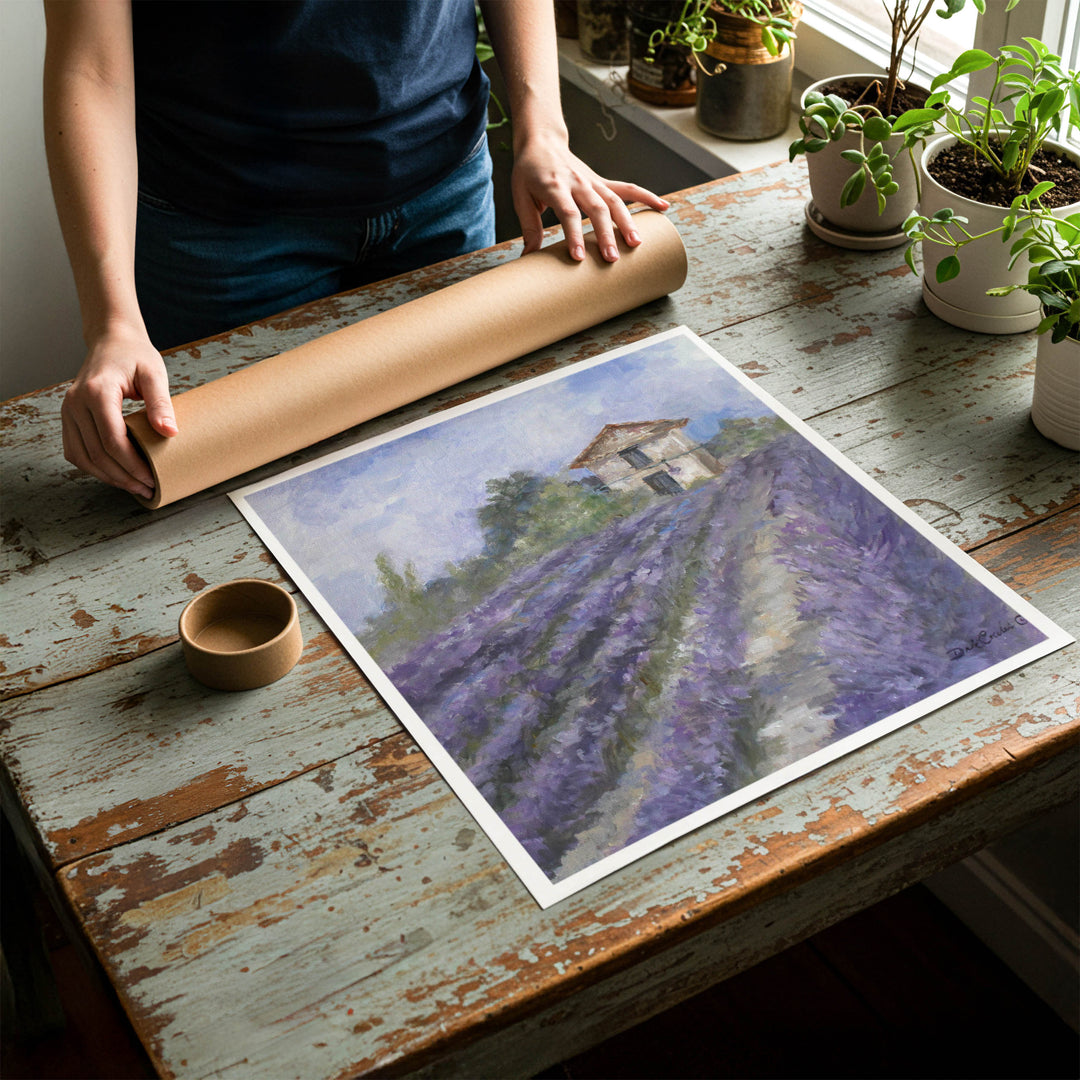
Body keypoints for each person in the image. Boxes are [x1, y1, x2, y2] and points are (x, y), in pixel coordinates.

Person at [44, 0, 670, 501]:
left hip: (443, 187)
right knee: (218, 478)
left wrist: (545, 130)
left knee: (462, 444)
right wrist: (111, 320)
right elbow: (92, 68)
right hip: (222, 231)